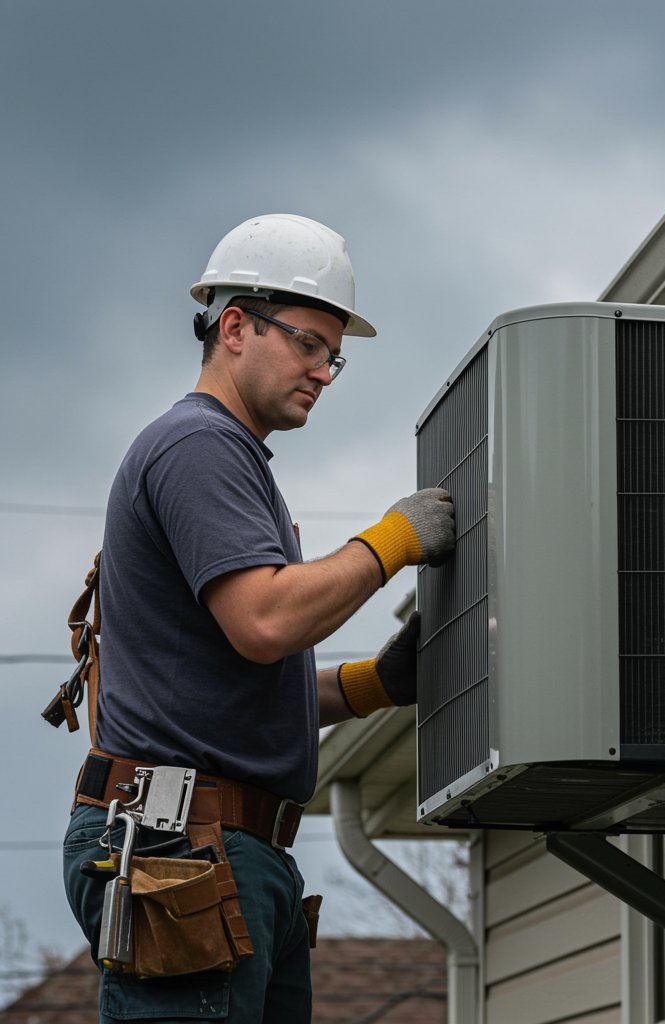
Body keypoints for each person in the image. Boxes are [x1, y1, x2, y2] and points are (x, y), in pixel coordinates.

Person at [61, 213, 455, 1022]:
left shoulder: (227, 458)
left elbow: (220, 683)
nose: (325, 371)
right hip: (190, 845)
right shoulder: (199, 446)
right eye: (308, 343)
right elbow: (266, 624)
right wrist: (393, 539)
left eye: (333, 354)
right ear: (234, 326)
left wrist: (370, 686)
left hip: (219, 848)